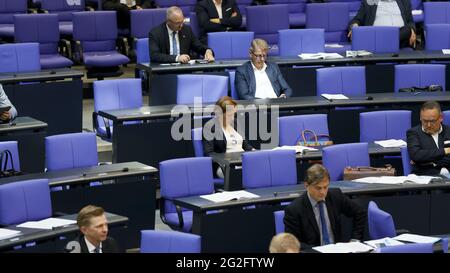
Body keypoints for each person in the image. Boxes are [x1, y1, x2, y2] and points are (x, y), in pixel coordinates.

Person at [284, 164, 366, 250]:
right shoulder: (294, 209)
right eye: (318, 188)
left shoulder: (335, 196)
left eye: (325, 187)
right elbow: (293, 243)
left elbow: (360, 212)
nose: (323, 192)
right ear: (306, 186)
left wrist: (355, 240)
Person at [203, 96, 254, 177]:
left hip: (243, 162)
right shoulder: (210, 127)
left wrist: (255, 152)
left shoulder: (236, 123)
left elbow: (246, 146)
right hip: (225, 166)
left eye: (234, 114)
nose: (233, 117)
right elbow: (209, 154)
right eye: (230, 115)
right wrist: (227, 159)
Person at [148, 6, 215, 64]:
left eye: (182, 21)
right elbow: (155, 55)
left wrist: (208, 51)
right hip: (163, 71)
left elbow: (198, 46)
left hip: (184, 69)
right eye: (177, 23)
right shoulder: (156, 33)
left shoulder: (186, 30)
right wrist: (177, 58)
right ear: (168, 22)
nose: (181, 25)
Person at [348, 0, 416, 48]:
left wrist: (412, 29)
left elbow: (410, 21)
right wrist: (355, 26)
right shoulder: (370, 2)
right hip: (378, 35)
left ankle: (382, 44)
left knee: (407, 30)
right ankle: (385, 43)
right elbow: (356, 19)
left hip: (399, 37)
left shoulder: (404, 2)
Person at [407, 101, 450, 175]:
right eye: (425, 121)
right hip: (426, 176)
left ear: (441, 118)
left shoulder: (448, 131)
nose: (429, 125)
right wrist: (446, 150)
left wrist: (429, 162)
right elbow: (416, 155)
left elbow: (420, 158)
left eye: (432, 121)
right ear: (420, 118)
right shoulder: (413, 133)